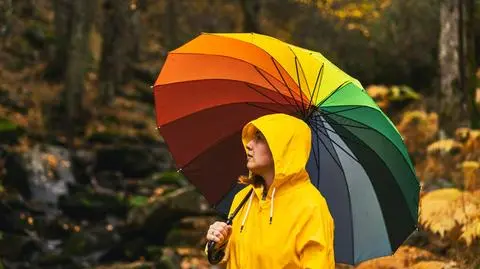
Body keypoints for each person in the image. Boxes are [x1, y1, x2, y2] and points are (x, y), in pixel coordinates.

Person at [205, 113, 335, 268]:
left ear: (282, 147)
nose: (249, 145)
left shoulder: (311, 206)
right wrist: (218, 244)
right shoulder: (243, 198)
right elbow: (230, 260)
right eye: (252, 137)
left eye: (259, 138)